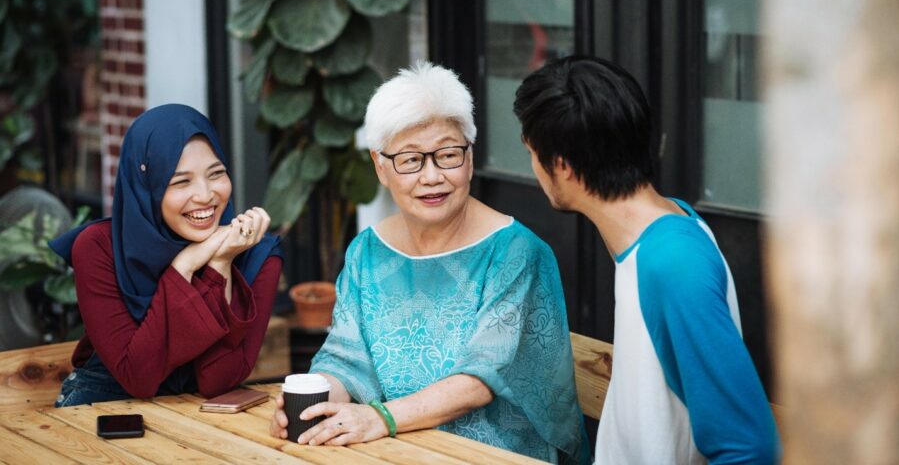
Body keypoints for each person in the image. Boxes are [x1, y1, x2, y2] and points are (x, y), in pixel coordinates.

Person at [269, 62, 587, 464]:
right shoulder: (366, 252)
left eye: (448, 155)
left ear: (470, 158)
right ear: (380, 166)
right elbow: (345, 359)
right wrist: (313, 405)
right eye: (411, 160)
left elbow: (480, 379)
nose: (432, 176)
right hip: (392, 451)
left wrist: (380, 417)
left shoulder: (515, 253)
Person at [513, 55, 780, 464]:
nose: (533, 168)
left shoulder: (672, 263)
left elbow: (749, 448)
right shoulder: (654, 227)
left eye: (533, 153)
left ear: (562, 166)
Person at [50, 104, 282, 406]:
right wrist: (184, 266)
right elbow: (138, 379)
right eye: (180, 181)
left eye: (216, 174)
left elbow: (218, 381)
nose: (205, 195)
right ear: (147, 187)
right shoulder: (99, 248)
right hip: (102, 410)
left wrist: (219, 265)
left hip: (199, 422)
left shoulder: (256, 256)